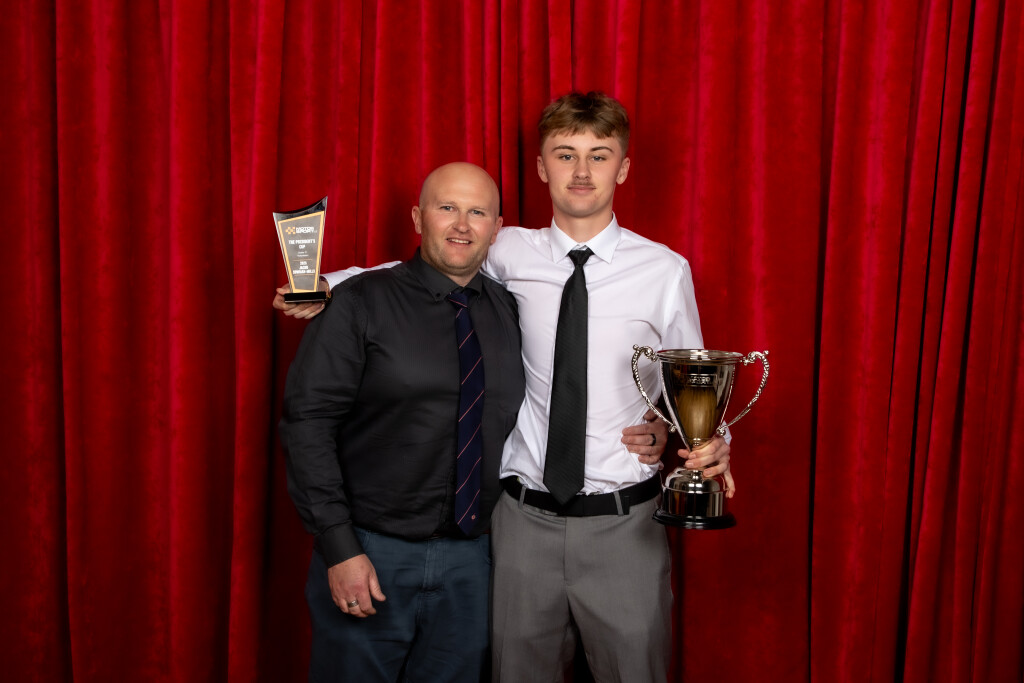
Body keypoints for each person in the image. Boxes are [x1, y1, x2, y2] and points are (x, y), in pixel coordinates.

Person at [278, 93, 732, 681]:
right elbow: (418, 271)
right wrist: (326, 286)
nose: (581, 171)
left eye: (599, 156)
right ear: (541, 167)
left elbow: (692, 384)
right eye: (565, 154)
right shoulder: (507, 249)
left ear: (623, 169)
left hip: (623, 521)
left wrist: (704, 440)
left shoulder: (664, 270)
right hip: (521, 524)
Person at [279, 162, 526, 682]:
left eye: (477, 212)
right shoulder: (359, 302)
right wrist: (339, 548)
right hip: (370, 552)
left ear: (497, 228)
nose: (462, 225)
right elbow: (308, 424)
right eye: (447, 208)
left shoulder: (510, 310)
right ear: (418, 218)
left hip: (474, 563)